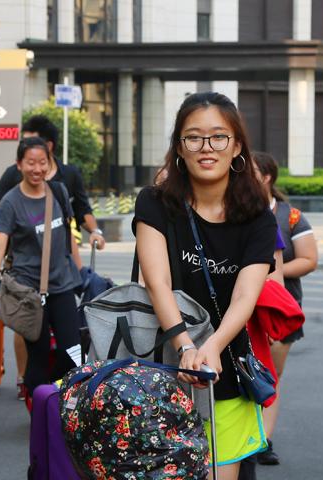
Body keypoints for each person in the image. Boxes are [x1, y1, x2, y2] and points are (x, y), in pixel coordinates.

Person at [134, 92, 278, 480]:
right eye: (193, 137)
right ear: (179, 148)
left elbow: (247, 295)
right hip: (156, 367)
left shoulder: (257, 218)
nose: (206, 147)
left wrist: (210, 348)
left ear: (237, 147)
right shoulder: (154, 203)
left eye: (218, 137)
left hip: (224, 371)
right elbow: (156, 281)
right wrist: (185, 345)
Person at [0, 115, 101, 401]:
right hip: (29, 292)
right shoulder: (11, 202)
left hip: (61, 285)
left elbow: (68, 235)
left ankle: (55, 399)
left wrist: (78, 272)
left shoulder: (59, 191)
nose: (37, 169)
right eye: (30, 163)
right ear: (19, 165)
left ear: (49, 163)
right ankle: (40, 414)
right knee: (36, 359)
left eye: (42, 163)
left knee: (73, 352)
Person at [252, 151, 319, 466]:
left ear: (266, 177)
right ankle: (250, 436)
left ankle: (263, 439)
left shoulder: (289, 216)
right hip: (244, 308)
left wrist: (263, 278)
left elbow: (309, 260)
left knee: (270, 375)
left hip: (279, 308)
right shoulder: (235, 210)